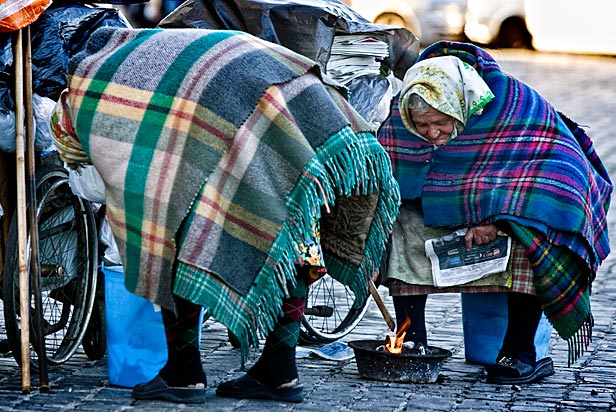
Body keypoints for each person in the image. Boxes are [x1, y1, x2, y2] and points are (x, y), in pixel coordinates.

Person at [51, 27, 400, 403]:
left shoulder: (97, 99)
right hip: (301, 102)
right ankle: (278, 371)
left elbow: (135, 181)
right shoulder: (129, 56)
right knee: (293, 237)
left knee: (171, 239)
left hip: (251, 102)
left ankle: (183, 375)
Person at [377, 41, 612, 384]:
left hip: (507, 214)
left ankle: (519, 351)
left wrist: (497, 219)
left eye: (441, 123)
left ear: (460, 105)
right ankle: (411, 340)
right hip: (452, 210)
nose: (432, 134)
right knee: (399, 228)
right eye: (422, 126)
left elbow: (553, 174)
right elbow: (390, 174)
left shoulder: (511, 102)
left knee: (531, 233)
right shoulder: (404, 111)